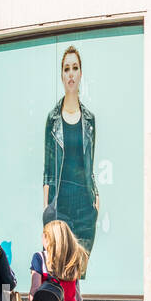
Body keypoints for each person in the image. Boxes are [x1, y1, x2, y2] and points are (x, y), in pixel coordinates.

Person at [43, 45, 99, 254]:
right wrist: (47, 209)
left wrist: (95, 202)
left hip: (85, 206)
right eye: (66, 69)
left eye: (75, 68)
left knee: (79, 271)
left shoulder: (90, 120)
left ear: (81, 74)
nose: (71, 74)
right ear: (61, 75)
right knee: (59, 267)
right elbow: (48, 170)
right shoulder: (53, 119)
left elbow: (90, 163)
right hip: (60, 205)